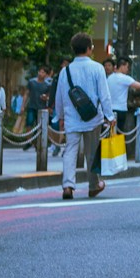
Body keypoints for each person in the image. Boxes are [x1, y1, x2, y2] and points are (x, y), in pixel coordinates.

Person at [53, 34, 112, 200]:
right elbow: (104, 95)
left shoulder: (65, 71)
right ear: (88, 48)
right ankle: (93, 186)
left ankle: (68, 185)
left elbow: (60, 96)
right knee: (92, 152)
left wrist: (60, 116)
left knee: (70, 151)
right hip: (92, 118)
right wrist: (109, 115)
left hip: (72, 118)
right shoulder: (97, 68)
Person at [105, 58, 140, 141]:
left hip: (109, 110)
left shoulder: (110, 78)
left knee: (108, 134)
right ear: (122, 66)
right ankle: (117, 149)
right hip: (120, 110)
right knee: (118, 134)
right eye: (127, 67)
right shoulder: (125, 78)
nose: (128, 69)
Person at [23, 66, 51, 149]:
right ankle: (28, 141)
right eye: (40, 71)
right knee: (29, 124)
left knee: (39, 127)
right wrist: (23, 106)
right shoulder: (32, 82)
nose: (40, 73)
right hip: (31, 106)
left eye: (43, 72)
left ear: (46, 75)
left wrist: (46, 98)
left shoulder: (47, 85)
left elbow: (49, 97)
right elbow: (26, 93)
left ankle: (36, 143)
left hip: (42, 108)